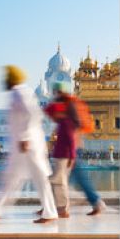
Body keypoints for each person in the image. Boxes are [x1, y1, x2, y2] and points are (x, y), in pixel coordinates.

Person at [0, 65, 58, 223]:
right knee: (12, 177)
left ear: (11, 79)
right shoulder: (16, 93)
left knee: (40, 178)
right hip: (22, 145)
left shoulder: (20, 92)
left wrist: (25, 137)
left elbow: (33, 113)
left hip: (29, 144)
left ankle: (50, 213)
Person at [44, 82, 77, 218]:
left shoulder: (65, 122)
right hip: (60, 155)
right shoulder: (62, 122)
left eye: (52, 115)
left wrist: (72, 156)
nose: (51, 118)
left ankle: (62, 209)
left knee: (57, 181)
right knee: (57, 181)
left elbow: (71, 140)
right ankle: (52, 207)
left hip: (64, 156)